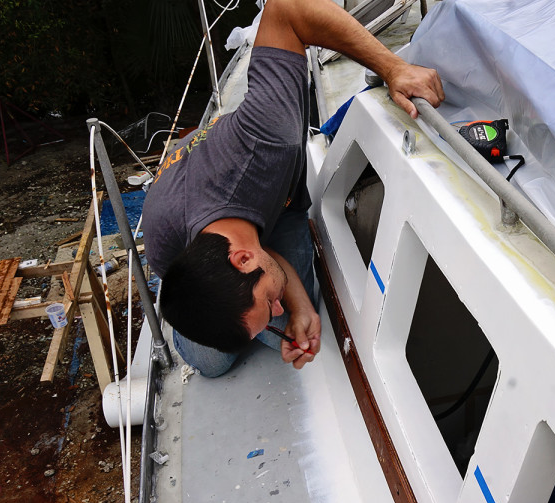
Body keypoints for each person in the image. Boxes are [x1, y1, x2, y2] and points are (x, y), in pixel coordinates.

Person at [142, 0, 444, 377]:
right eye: (272, 303)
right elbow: (237, 265)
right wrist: (290, 303)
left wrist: (394, 68)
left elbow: (284, 10)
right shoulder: (164, 240)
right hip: (210, 211)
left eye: (271, 301)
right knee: (211, 362)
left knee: (288, 330)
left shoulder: (266, 138)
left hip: (276, 204)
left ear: (243, 259)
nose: (278, 306)